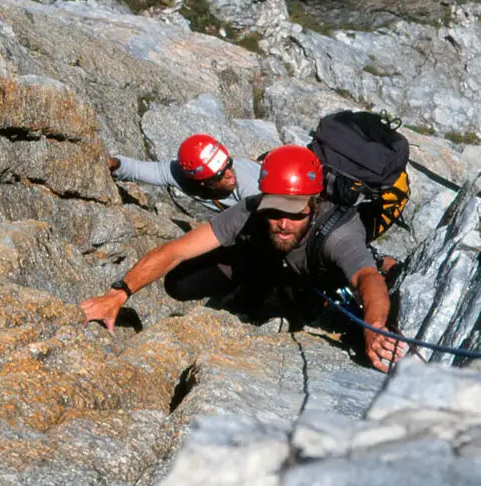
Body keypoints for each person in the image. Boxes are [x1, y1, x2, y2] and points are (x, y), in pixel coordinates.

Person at [83, 144, 406, 373]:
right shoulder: (252, 208)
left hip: (313, 278)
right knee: (181, 284)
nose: (282, 222)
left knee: (301, 310)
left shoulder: (339, 233)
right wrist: (118, 293)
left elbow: (367, 279)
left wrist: (374, 327)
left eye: (294, 214)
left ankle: (378, 261)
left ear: (314, 202)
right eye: (274, 211)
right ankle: (257, 285)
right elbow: (176, 250)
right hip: (268, 262)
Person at [108, 133, 260, 211]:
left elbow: (270, 214)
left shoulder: (249, 187)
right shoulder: (186, 176)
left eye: (229, 164)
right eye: (220, 175)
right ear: (203, 182)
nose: (229, 174)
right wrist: (116, 164)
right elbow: (151, 171)